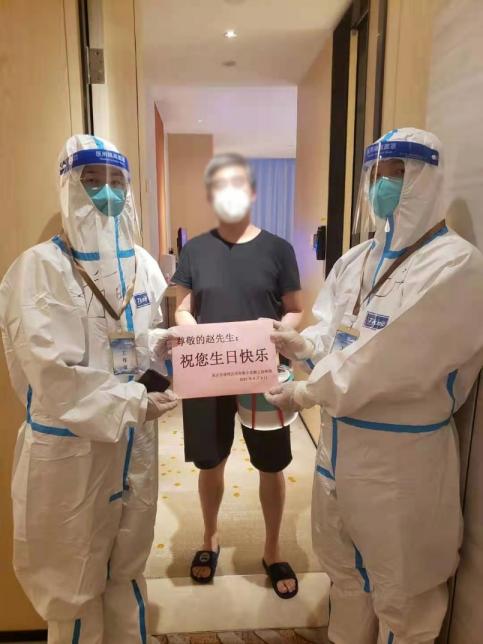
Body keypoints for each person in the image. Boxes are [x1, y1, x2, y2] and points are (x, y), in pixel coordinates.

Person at [266, 128, 483, 642]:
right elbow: (336, 333)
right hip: (337, 450)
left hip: (399, 462)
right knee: (345, 576)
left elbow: (386, 363)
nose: (384, 185)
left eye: (398, 173)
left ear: (428, 178)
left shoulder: (455, 266)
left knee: (404, 595)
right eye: (378, 174)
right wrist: (302, 344)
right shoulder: (358, 260)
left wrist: (305, 391)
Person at [0, 135, 178, 644]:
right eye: (92, 181)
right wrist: (133, 400)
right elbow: (53, 376)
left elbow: (132, 341)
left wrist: (160, 345)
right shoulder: (40, 269)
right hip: (72, 453)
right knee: (73, 584)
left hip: (135, 445)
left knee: (127, 568)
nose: (107, 193)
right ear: (68, 187)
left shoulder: (143, 264)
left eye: (117, 182)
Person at [172, 153, 303, 598]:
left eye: (237, 184)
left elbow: (295, 308)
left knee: (271, 463)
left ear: (252, 192)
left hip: (262, 373)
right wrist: (190, 328)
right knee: (210, 460)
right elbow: (183, 306)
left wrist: (281, 332)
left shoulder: (278, 249)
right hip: (208, 373)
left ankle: (272, 548)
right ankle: (209, 537)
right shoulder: (195, 250)